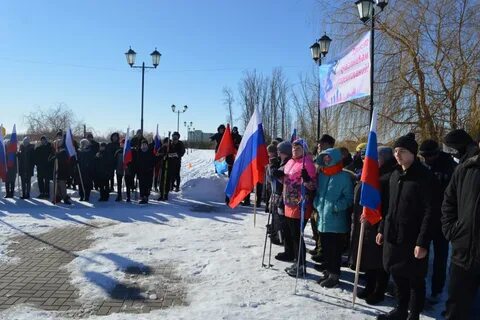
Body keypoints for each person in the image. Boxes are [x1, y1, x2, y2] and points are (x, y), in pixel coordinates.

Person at [376, 133, 437, 320]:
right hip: (394, 234)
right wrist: (381, 229)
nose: (397, 155)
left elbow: (431, 212)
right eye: (395, 151)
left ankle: (414, 314)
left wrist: (423, 242)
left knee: (415, 279)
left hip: (413, 238)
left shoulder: (425, 177)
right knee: (398, 274)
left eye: (402, 151)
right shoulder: (395, 175)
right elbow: (388, 207)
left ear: (413, 153)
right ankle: (401, 310)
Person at [350, 146, 395, 304]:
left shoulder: (389, 176)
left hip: (381, 222)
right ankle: (369, 286)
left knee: (380, 260)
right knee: (369, 257)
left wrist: (380, 224)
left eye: (376, 158)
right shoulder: (373, 174)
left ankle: (379, 290)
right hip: (368, 221)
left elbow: (388, 204)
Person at [441, 139, 480, 320]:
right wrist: (452, 230)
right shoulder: (466, 169)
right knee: (456, 309)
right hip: (463, 254)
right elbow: (449, 202)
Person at [418, 139, 457, 299]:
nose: (427, 159)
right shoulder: (423, 166)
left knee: (441, 256)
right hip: (425, 216)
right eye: (424, 156)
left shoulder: (450, 167)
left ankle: (437, 289)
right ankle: (419, 285)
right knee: (421, 252)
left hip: (443, 218)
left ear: (436, 153)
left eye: (429, 156)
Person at [314, 147, 354, 288]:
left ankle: (335, 275)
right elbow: (318, 194)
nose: (326, 160)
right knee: (325, 248)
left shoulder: (344, 177)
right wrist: (317, 205)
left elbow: (349, 198)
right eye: (324, 158)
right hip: (323, 219)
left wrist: (336, 207)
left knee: (334, 250)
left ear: (336, 159)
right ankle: (328, 271)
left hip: (336, 220)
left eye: (329, 158)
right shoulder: (322, 175)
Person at [278, 139, 316, 277]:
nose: (295, 150)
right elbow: (287, 181)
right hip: (288, 203)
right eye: (293, 148)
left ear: (304, 149)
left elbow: (312, 185)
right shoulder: (290, 162)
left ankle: (301, 265)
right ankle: (297, 261)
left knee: (297, 236)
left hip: (300, 204)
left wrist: (307, 180)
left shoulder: (308, 163)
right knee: (293, 235)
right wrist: (280, 177)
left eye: (298, 148)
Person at [310, 134, 336, 262]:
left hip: (326, 200)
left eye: (322, 143)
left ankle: (322, 251)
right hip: (316, 197)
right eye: (319, 143)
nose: (319, 145)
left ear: (329, 145)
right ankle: (317, 246)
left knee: (322, 227)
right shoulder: (317, 160)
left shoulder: (331, 160)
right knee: (314, 223)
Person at [272, 141, 294, 262]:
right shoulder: (283, 162)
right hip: (281, 197)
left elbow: (288, 181)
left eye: (280, 151)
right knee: (284, 227)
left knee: (287, 227)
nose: (278, 153)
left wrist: (278, 174)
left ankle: (290, 252)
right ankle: (288, 250)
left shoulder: (289, 163)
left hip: (286, 199)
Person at [49, 137, 71, 205]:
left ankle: (65, 198)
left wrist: (58, 156)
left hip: (62, 172)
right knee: (56, 186)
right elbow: (49, 161)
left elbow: (65, 161)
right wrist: (54, 157)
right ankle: (57, 197)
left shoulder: (64, 152)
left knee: (62, 186)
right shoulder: (54, 152)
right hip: (55, 172)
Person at [136, 139, 154, 204]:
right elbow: (137, 163)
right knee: (141, 185)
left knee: (147, 185)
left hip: (148, 172)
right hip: (141, 172)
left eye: (145, 144)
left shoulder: (150, 152)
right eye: (142, 144)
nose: (144, 146)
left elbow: (153, 161)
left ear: (147, 145)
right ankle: (142, 197)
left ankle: (146, 197)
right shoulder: (139, 152)